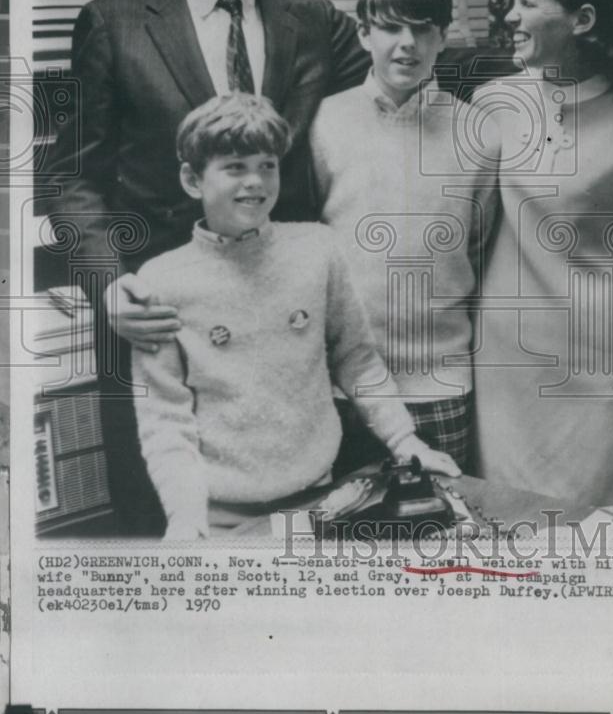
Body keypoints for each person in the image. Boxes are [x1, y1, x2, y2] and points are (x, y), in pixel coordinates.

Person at [50, 0, 370, 533]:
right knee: (174, 530)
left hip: (281, 326)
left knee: (298, 526)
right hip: (162, 316)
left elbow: (388, 104)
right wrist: (110, 285)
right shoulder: (116, 24)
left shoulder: (313, 22)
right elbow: (72, 174)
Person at [131, 93, 460, 539]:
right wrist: (185, 517)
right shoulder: (161, 281)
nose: (256, 182)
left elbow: (357, 360)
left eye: (267, 165)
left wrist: (405, 441)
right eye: (234, 167)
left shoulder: (317, 250)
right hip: (220, 514)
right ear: (193, 179)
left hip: (322, 498)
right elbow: (165, 420)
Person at [471, 0, 613, 506]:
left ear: (583, 20)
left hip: (601, 364)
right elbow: (463, 237)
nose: (510, 17)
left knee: (592, 536)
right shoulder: (494, 103)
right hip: (509, 366)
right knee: (513, 531)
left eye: (526, 4)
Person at [309, 0, 500, 473]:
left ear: (443, 36)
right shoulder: (322, 122)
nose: (407, 43)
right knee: (344, 542)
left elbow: (479, 249)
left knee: (438, 539)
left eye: (423, 28)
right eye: (391, 27)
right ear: (364, 33)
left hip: (442, 382)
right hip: (343, 385)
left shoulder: (478, 132)